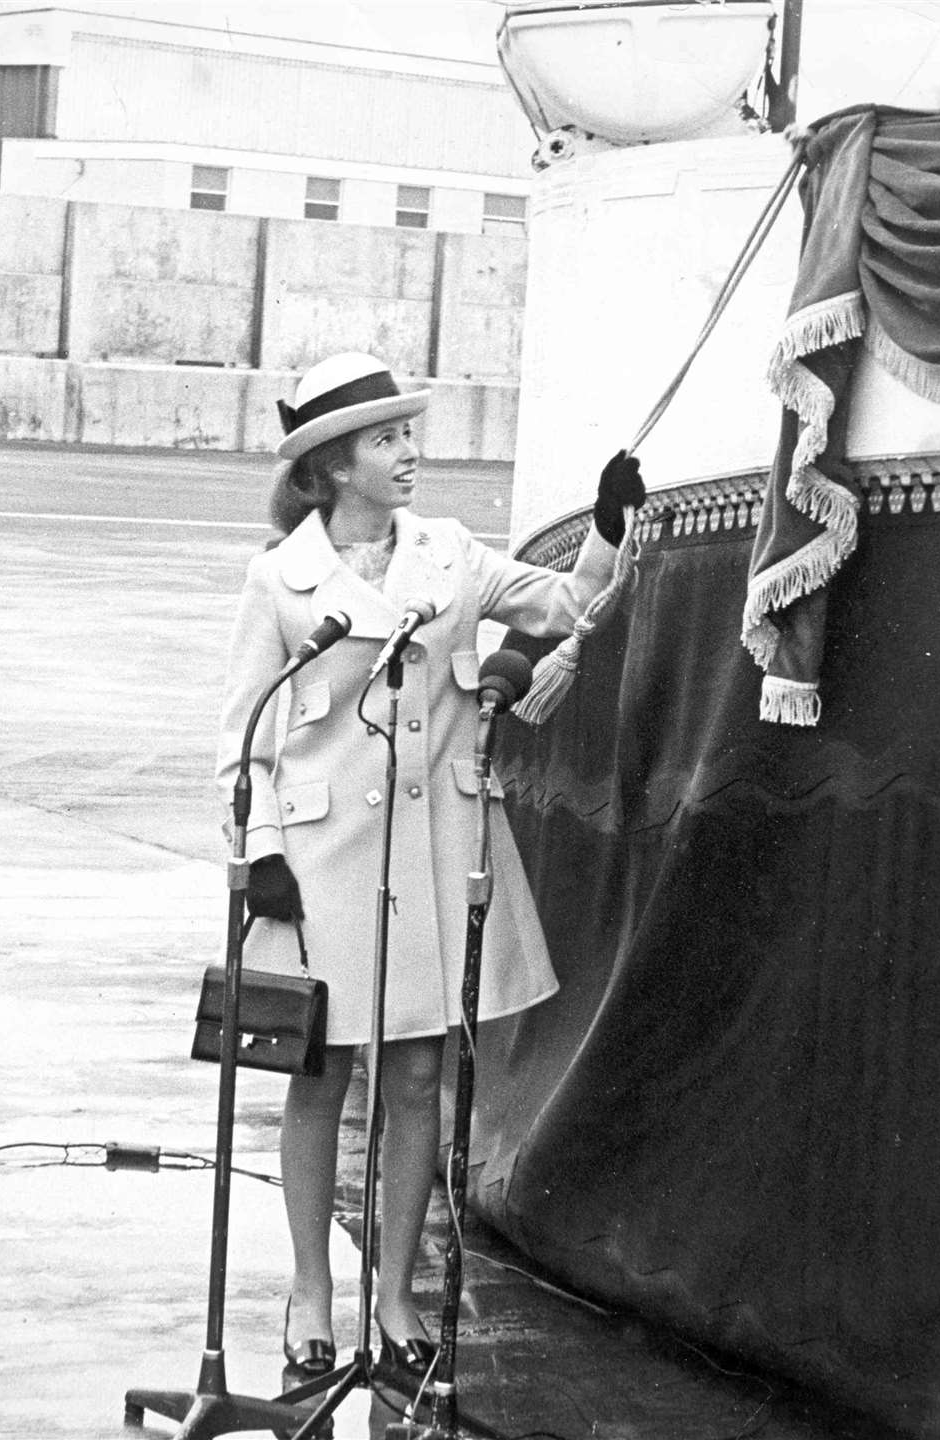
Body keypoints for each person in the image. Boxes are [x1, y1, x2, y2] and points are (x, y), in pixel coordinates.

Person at [215, 352, 644, 1380]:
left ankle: (396, 1294)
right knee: (316, 1081)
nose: (409, 453)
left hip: (436, 858)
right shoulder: (280, 580)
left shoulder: (452, 555)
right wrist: (261, 854)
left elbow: (568, 604)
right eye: (385, 439)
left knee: (415, 1081)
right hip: (317, 868)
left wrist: (609, 525)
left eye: (409, 434)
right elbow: (245, 739)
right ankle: (313, 1295)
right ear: (329, 468)